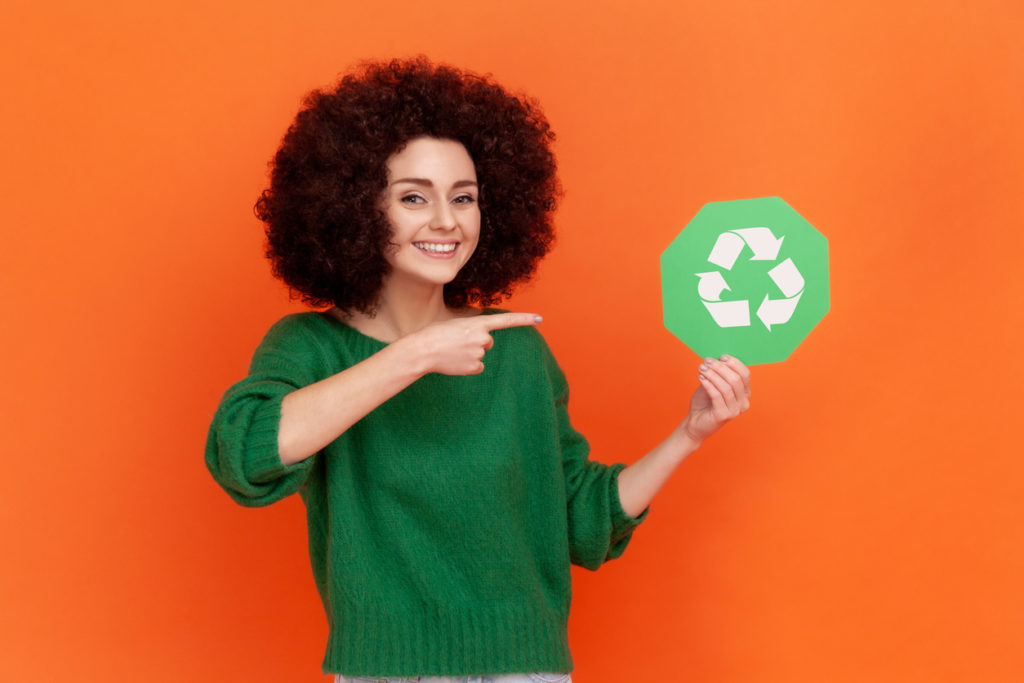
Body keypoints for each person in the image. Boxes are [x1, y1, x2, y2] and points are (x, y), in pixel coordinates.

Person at [205, 57, 751, 683]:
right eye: (414, 197)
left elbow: (581, 522)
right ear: (353, 208)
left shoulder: (514, 350)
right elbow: (244, 458)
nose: (446, 221)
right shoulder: (311, 348)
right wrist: (415, 356)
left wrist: (691, 433)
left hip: (529, 670)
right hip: (386, 672)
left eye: (464, 198)